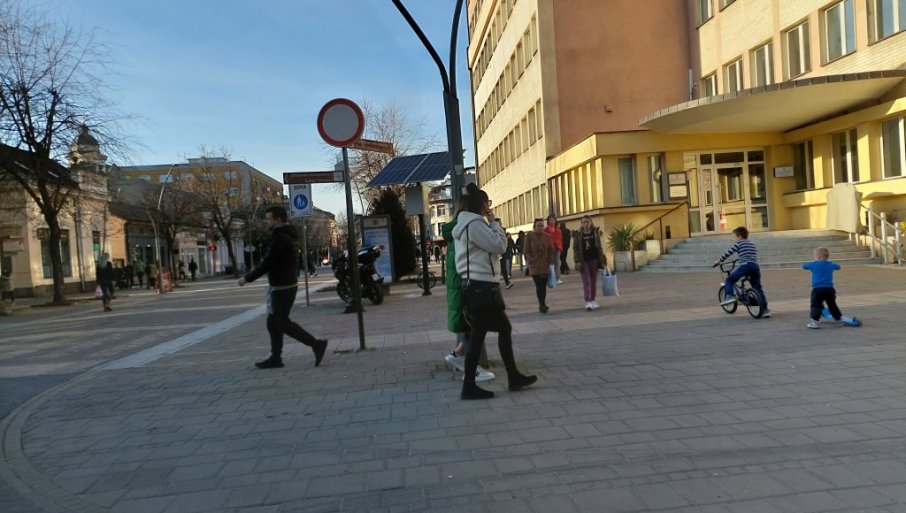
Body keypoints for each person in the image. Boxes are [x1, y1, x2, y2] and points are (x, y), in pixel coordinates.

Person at [452, 183, 536, 400]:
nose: (488, 208)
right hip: (482, 287)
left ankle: (510, 377)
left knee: (491, 333)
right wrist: (495, 221)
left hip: (479, 286)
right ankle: (472, 386)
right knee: (484, 336)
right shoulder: (474, 225)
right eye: (486, 204)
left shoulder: (468, 224)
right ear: (481, 205)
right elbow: (500, 246)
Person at [238, 206, 328, 369]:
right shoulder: (285, 235)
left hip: (282, 287)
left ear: (278, 219)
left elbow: (268, 263)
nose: (267, 221)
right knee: (273, 322)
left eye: (268, 218)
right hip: (284, 284)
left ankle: (316, 344)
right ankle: (276, 357)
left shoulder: (280, 238)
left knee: (282, 322)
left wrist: (247, 278)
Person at [443, 197, 494, 383]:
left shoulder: (457, 227)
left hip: (460, 285)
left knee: (471, 328)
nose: (487, 206)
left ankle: (456, 356)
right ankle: (473, 371)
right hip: (467, 285)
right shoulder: (467, 228)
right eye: (485, 203)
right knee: (474, 327)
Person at [714, 226, 771, 318]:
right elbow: (749, 254)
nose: (734, 239)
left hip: (746, 266)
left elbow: (728, 253)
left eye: (734, 237)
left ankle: (730, 296)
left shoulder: (739, 244)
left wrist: (719, 261)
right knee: (758, 288)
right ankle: (765, 310)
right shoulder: (752, 243)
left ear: (739, 237)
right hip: (755, 267)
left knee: (729, 279)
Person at [803, 247, 847, 328]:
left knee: (816, 304)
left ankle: (815, 322)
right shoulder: (830, 264)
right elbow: (838, 267)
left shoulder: (814, 264)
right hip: (829, 289)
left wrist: (814, 262)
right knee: (832, 304)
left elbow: (804, 266)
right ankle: (838, 320)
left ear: (818, 257)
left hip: (817, 289)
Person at [572, 216, 608, 311]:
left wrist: (603, 260)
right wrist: (577, 260)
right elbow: (575, 248)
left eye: (588, 221)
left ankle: (593, 299)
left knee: (593, 281)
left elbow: (599, 247)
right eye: (583, 222)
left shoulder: (595, 232)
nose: (586, 224)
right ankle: (587, 301)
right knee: (586, 281)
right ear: (581, 224)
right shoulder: (578, 234)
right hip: (584, 261)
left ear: (591, 222)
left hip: (594, 259)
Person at [524, 218, 556, 314]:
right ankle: (541, 304)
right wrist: (530, 260)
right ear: (534, 227)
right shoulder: (529, 236)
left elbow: (551, 249)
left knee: (543, 285)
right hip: (534, 264)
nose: (540, 228)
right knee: (539, 284)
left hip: (544, 264)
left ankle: (542, 303)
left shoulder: (547, 236)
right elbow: (526, 251)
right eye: (538, 226)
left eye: (542, 226)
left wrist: (550, 260)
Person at [544, 215, 564, 284]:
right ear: (548, 221)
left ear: (555, 221)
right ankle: (550, 278)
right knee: (550, 263)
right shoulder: (546, 229)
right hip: (550, 247)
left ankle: (557, 278)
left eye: (553, 219)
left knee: (558, 262)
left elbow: (560, 239)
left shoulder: (558, 229)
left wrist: (561, 247)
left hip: (557, 247)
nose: (552, 221)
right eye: (550, 219)